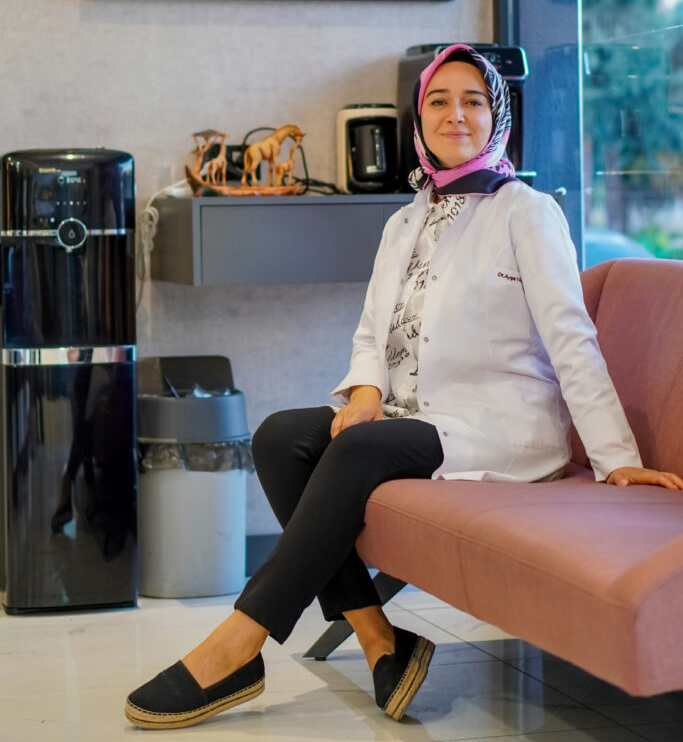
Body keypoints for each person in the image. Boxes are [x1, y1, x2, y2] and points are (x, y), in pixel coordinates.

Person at [125, 44, 683, 730]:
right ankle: (380, 640)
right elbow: (372, 331)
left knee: (357, 450)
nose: (456, 115)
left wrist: (615, 458)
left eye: (473, 102)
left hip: (499, 425)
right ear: (418, 120)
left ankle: (238, 643)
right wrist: (363, 392)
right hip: (411, 413)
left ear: (498, 118)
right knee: (281, 436)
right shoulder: (405, 219)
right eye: (438, 102)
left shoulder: (527, 212)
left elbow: (572, 338)